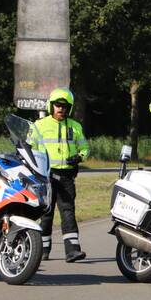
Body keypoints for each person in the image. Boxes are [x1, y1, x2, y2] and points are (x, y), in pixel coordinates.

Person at [33, 87, 89, 262]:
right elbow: (29, 147)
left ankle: (72, 250)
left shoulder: (75, 127)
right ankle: (42, 251)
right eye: (58, 105)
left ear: (69, 108)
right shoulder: (39, 126)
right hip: (46, 176)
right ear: (51, 106)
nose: (61, 109)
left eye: (65, 106)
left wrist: (79, 157)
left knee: (67, 211)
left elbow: (85, 148)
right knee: (46, 213)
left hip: (66, 177)